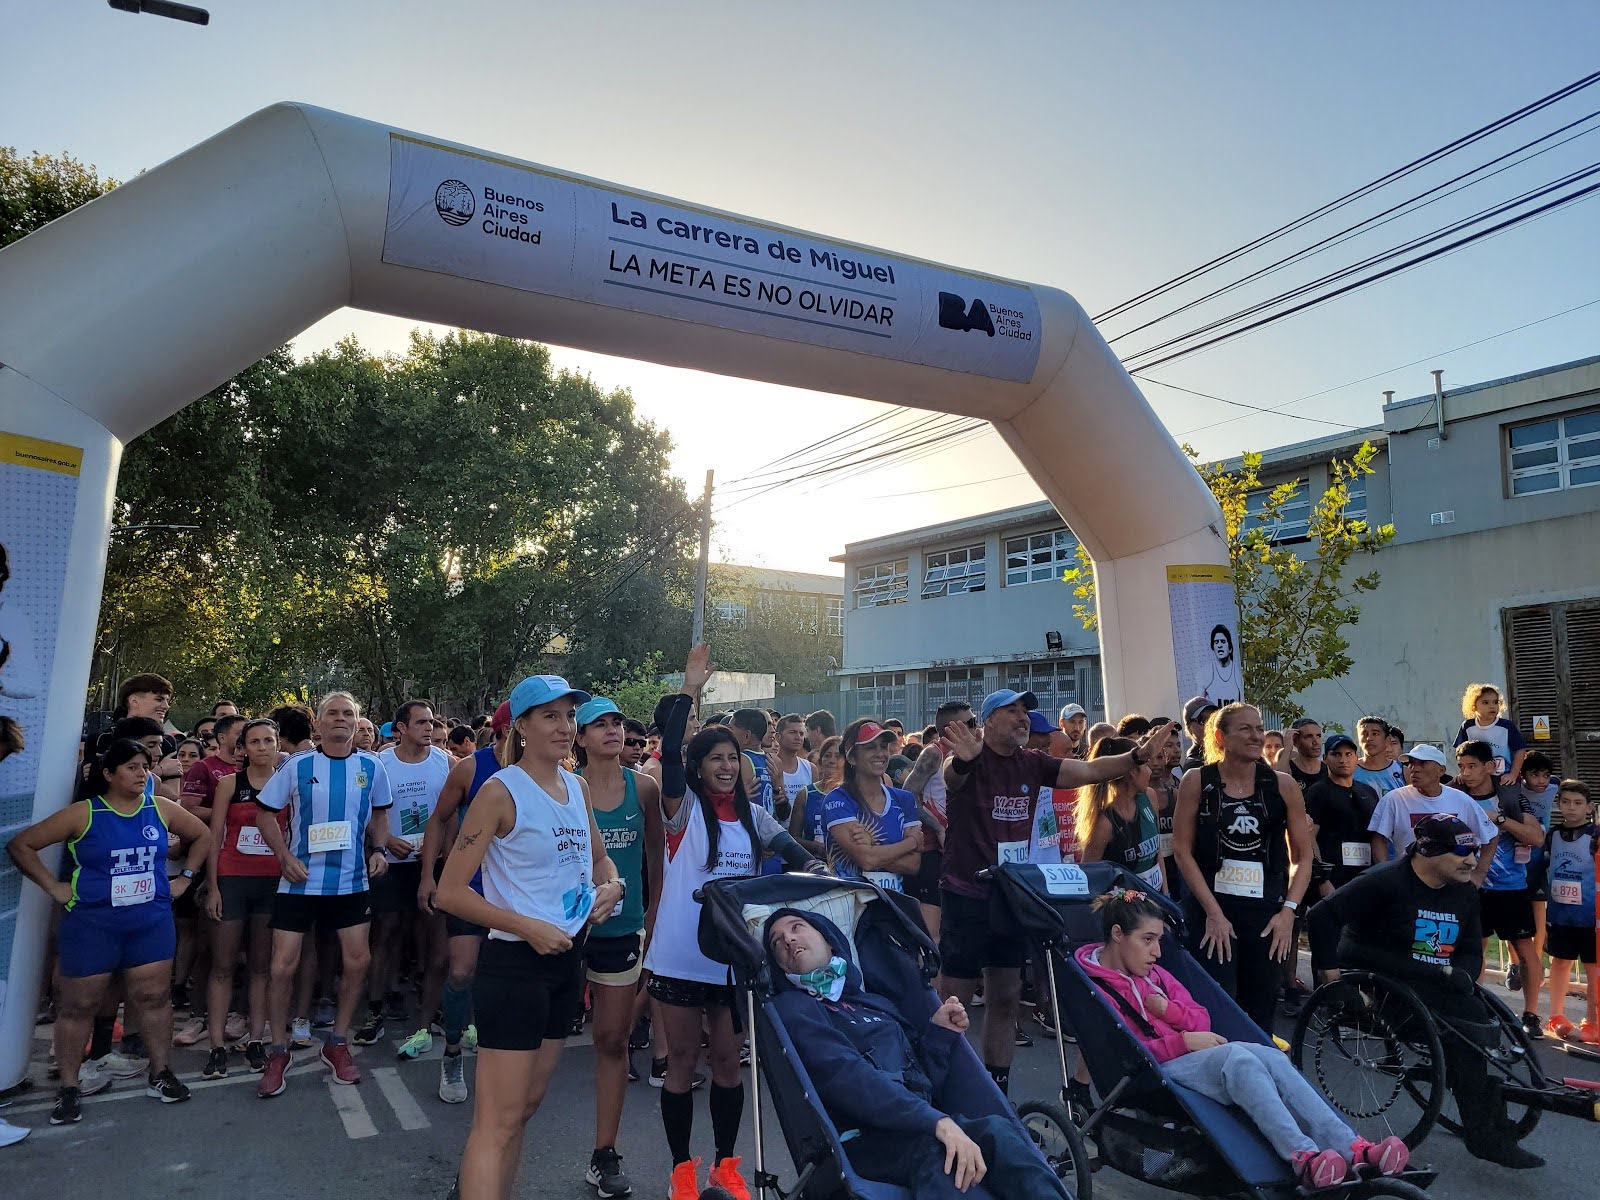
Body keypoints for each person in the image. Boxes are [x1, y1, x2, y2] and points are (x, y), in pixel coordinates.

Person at [435, 673, 625, 1200]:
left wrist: (613, 886)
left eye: (570, 716)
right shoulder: (500, 791)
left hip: (566, 963)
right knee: (495, 1123)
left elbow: (599, 858)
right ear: (521, 725)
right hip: (514, 965)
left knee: (524, 1109)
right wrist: (525, 926)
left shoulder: (577, 786)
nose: (565, 727)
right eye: (550, 716)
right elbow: (450, 892)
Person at [644, 646, 822, 1200]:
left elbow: (796, 855)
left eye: (732, 758)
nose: (725, 766)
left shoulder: (754, 815)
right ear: (698, 767)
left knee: (727, 1064)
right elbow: (670, 748)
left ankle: (726, 1168)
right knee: (681, 1064)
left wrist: (820, 873)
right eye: (715, 758)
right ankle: (681, 1171)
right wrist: (690, 688)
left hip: (733, 958)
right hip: (681, 955)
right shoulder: (680, 810)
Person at [1080, 888, 1407, 1189]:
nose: (1156, 951)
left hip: (1190, 1056)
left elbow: (1200, 1017)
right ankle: (1302, 1156)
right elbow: (1124, 1052)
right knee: (1239, 1060)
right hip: (1151, 1070)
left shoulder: (1156, 976)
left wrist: (1169, 1011)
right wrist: (1185, 1042)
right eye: (1148, 940)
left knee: (1270, 1056)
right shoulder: (1098, 989)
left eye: (1159, 940)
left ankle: (1353, 1148)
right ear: (1118, 934)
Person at [936, 687, 1177, 1095]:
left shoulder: (1033, 763)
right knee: (953, 1001)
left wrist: (1136, 756)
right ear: (989, 720)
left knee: (1006, 997)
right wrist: (963, 760)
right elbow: (952, 775)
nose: (1022, 718)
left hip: (1010, 896)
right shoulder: (969, 758)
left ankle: (997, 1091)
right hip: (967, 895)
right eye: (1011, 711)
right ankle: (943, 1088)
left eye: (1025, 711)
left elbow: (1091, 772)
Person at [764, 909, 1072, 1200]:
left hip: (916, 1121)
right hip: (863, 1137)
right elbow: (849, 1079)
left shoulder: (875, 1003)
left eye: (796, 927)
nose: (788, 939)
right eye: (777, 942)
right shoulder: (794, 1008)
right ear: (781, 967)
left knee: (997, 1131)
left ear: (830, 941)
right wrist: (935, 1122)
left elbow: (921, 1080)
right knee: (938, 1156)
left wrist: (939, 1034)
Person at [1308, 815, 1545, 1168]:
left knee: (1479, 1021)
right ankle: (1484, 1133)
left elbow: (1471, 951)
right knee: (1462, 1035)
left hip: (1434, 981)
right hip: (1380, 982)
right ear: (1429, 851)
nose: (1472, 861)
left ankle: (1486, 1102)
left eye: (1475, 851)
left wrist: (1463, 976)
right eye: (1462, 852)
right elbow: (1320, 917)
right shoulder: (1384, 881)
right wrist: (1331, 981)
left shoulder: (1464, 893)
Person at [6, 739, 212, 1122]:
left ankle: (161, 1073)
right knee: (79, 1005)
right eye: (132, 767)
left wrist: (185, 878)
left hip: (149, 922)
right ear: (108, 774)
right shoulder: (84, 813)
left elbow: (202, 834)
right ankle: (69, 1087)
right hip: (93, 924)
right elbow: (21, 845)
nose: (142, 773)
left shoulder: (160, 807)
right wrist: (53, 887)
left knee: (154, 997)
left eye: (145, 766)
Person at [254, 691, 395, 1096]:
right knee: (282, 967)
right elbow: (265, 814)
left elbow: (380, 813)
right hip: (299, 881)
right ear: (317, 723)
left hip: (350, 881)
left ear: (357, 721)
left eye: (347, 713)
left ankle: (337, 1042)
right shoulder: (297, 765)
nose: (340, 719)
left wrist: (379, 849)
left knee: (358, 961)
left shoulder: (372, 765)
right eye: (332, 713)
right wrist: (284, 857)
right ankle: (278, 1049)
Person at [1171, 703, 1314, 1033]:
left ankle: (1257, 1064)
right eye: (1246, 729)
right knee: (1215, 1007)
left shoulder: (1282, 785)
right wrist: (1213, 913)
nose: (1256, 736)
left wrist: (1288, 912)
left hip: (1266, 912)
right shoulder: (1197, 780)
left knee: (1260, 1009)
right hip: (1211, 911)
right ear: (1221, 737)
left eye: (1259, 728)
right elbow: (1182, 852)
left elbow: (1302, 858)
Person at [575, 694, 664, 1198]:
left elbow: (655, 852)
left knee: (612, 1040)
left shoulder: (643, 787)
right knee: (536, 1051)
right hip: (566, 930)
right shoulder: (566, 787)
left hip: (624, 928)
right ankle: (497, 1146)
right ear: (580, 737)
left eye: (617, 723)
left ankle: (604, 1154)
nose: (612, 731)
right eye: (599, 724)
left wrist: (654, 911)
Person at [418, 701, 511, 1104]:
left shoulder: (551, 774)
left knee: (506, 980)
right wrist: (428, 875)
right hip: (470, 886)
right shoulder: (471, 768)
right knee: (461, 971)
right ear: (505, 730)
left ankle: (501, 1057)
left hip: (518, 893)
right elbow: (438, 819)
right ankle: (452, 1052)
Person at [363, 700, 454, 1051]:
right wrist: (385, 840)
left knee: (435, 938)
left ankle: (433, 1008)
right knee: (387, 934)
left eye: (431, 722)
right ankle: (375, 1008)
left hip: (432, 864)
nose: (428, 728)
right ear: (401, 728)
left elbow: (452, 813)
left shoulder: (445, 761)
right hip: (391, 862)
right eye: (420, 722)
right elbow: (366, 810)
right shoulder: (380, 762)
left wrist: (441, 848)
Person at [200, 717, 287, 1077]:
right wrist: (212, 886)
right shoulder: (230, 784)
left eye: (268, 741)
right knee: (223, 966)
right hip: (233, 878)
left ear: (277, 745)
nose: (262, 747)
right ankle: (216, 1046)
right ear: (244, 748)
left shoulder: (287, 782)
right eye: (254, 742)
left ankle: (255, 1040)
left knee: (261, 968)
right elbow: (215, 834)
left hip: (273, 883)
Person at [1452, 740, 1545, 1037]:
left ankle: (1531, 1014)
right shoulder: (1455, 794)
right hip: (1469, 885)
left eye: (1473, 766)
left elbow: (1536, 837)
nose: (1466, 773)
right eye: (1461, 766)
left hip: (1510, 886)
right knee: (1474, 947)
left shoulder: (1509, 796)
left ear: (1490, 766)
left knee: (1524, 948)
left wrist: (1499, 819)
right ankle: (1477, 1008)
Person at [821, 718, 921, 890]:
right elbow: (867, 860)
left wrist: (872, 847)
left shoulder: (904, 799)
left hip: (894, 902)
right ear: (852, 757)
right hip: (849, 901)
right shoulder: (837, 800)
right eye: (870, 747)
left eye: (883, 746)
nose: (880, 754)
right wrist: (910, 843)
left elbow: (913, 865)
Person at [1366, 744, 1497, 875]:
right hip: (1409, 880)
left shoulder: (1461, 800)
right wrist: (1385, 874)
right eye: (1411, 763)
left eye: (1422, 763)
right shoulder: (1394, 799)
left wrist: (1479, 874)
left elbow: (1491, 835)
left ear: (1441, 770)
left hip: (1451, 880)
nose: (1414, 769)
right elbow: (1378, 838)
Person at [901, 702, 968, 944]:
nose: (976, 728)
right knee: (932, 933)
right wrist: (938, 828)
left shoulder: (971, 753)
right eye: (969, 723)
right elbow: (907, 795)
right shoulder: (934, 753)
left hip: (959, 850)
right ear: (950, 729)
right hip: (932, 850)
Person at [1543, 779, 1599, 1043]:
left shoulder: (1595, 835)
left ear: (1590, 807)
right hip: (1560, 915)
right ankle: (1556, 1015)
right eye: (1565, 802)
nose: (1571, 808)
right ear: (1558, 804)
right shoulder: (1552, 835)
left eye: (1578, 803)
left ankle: (1592, 1021)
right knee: (1560, 962)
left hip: (1590, 918)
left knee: (1593, 969)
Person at [1076, 736, 1164, 892]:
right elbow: (1088, 876)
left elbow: (1158, 853)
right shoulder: (1105, 823)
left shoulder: (1149, 797)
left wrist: (1166, 895)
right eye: (1145, 765)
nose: (1150, 771)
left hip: (1156, 899)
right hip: (1125, 905)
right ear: (1132, 772)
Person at [1302, 733, 1380, 904]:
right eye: (1336, 754)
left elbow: (1377, 837)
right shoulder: (1317, 792)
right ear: (1325, 759)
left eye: (1348, 754)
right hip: (1333, 879)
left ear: (1356, 758)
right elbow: (1308, 837)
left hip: (1365, 878)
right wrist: (1322, 879)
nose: (1343, 760)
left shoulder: (1368, 792)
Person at [1452, 683, 1527, 782]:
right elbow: (1460, 752)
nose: (1492, 706)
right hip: (1476, 776)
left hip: (1503, 776)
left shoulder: (1506, 726)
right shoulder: (1467, 726)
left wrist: (1513, 774)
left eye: (1495, 702)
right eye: (1486, 703)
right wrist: (1464, 772)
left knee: (1508, 792)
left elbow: (1520, 750)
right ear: (1474, 706)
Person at [789, 734, 841, 861]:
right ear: (821, 761)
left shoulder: (852, 794)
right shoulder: (805, 794)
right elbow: (792, 837)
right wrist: (814, 846)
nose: (832, 760)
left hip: (844, 866)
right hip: (814, 865)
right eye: (827, 756)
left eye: (838, 756)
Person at [768, 714, 812, 817]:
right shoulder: (769, 765)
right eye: (792, 732)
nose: (798, 737)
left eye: (801, 733)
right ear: (778, 737)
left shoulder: (810, 769)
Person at [1352, 717, 1404, 797]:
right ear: (1358, 740)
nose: (1369, 738)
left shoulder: (1402, 771)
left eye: (1375, 734)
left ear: (1387, 740)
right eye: (1364, 734)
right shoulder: (1350, 770)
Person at [1201, 624, 1241, 706]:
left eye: (1223, 641)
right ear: (1213, 647)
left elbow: (1242, 704)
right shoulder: (1205, 673)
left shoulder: (1237, 673)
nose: (1219, 645)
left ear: (1230, 648)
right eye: (1216, 642)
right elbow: (1198, 706)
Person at [1281, 717, 1326, 789]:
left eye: (1318, 736)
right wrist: (1287, 749)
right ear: (1295, 742)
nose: (1316, 742)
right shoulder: (1289, 768)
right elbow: (1277, 782)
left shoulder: (1328, 769)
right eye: (1308, 737)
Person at [1179, 696, 1216, 774]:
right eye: (1203, 720)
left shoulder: (1225, 749)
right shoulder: (1193, 765)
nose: (1209, 724)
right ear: (1189, 727)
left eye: (1213, 719)